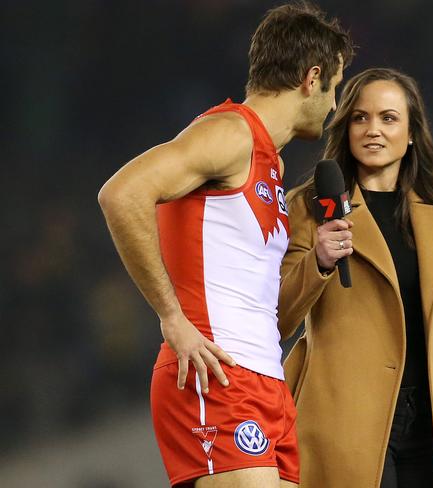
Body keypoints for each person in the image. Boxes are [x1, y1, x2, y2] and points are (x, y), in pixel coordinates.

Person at [97, 4, 353, 487]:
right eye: (335, 87)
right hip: (217, 376)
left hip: (265, 383)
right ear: (311, 77)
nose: (335, 104)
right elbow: (121, 194)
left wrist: (318, 259)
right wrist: (172, 317)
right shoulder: (229, 133)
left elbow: (255, 302)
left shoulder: (268, 165)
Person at [279, 68, 433, 488]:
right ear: (347, 127)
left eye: (388, 118)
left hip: (427, 424)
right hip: (344, 421)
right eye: (360, 117)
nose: (373, 130)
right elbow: (276, 316)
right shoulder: (310, 207)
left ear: (410, 134)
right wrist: (318, 261)